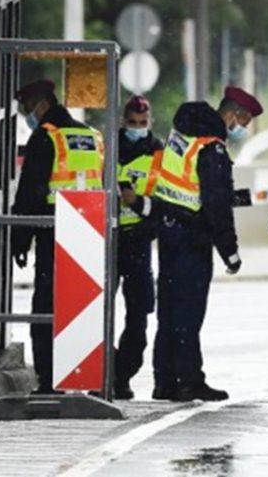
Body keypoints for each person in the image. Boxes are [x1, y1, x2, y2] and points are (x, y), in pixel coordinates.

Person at [151, 86, 263, 402]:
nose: (242, 128)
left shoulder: (182, 133)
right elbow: (215, 206)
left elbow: (181, 183)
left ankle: (165, 381)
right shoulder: (211, 148)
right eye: (245, 121)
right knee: (188, 313)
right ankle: (189, 381)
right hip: (191, 238)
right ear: (235, 115)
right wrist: (230, 251)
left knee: (169, 311)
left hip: (169, 232)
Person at [10, 79, 104, 394]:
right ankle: (86, 377)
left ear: (40, 104)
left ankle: (49, 379)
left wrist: (19, 240)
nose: (27, 115)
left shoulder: (45, 137)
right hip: (89, 233)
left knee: (47, 306)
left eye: (27, 109)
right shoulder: (90, 136)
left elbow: (31, 192)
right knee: (83, 304)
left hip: (53, 232)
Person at [112, 95, 164, 400]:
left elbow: (164, 203)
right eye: (131, 123)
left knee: (139, 312)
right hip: (106, 240)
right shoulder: (110, 148)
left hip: (139, 241)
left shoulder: (160, 154)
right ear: (122, 122)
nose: (136, 128)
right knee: (96, 310)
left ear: (150, 123)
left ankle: (123, 373)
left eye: (142, 124)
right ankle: (102, 369)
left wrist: (138, 204)